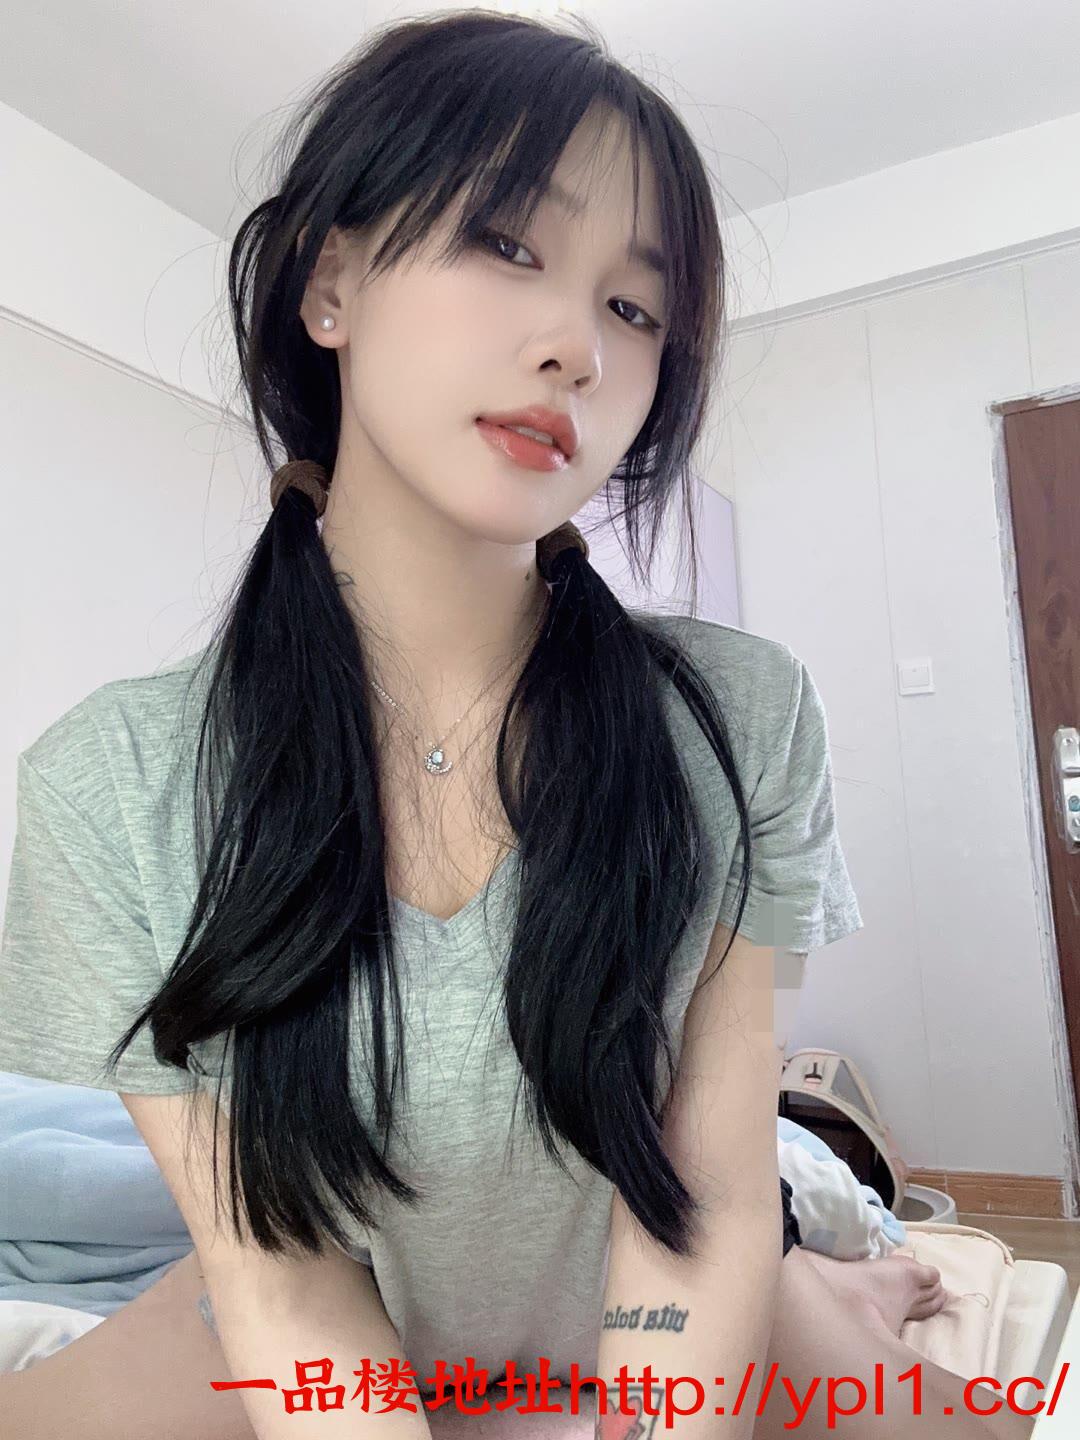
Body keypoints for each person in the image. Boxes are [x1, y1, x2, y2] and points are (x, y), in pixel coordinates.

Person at [0, 10, 1033, 1439]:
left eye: (635, 310)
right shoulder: (109, 786)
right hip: (295, 1331)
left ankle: (842, 1282)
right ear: (331, 285)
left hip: (657, 1290)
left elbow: (703, 1194)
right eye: (506, 243)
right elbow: (283, 1278)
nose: (576, 348)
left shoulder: (737, 719)